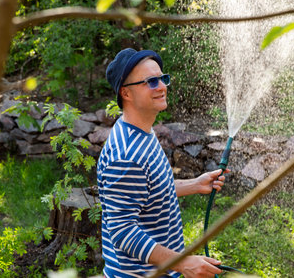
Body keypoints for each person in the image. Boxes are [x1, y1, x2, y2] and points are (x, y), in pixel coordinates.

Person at [97, 48, 227, 278]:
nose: (161, 86)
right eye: (151, 81)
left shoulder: (142, 132)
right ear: (126, 93)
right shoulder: (126, 157)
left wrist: (195, 185)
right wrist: (183, 263)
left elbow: (150, 190)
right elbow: (122, 232)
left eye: (162, 78)